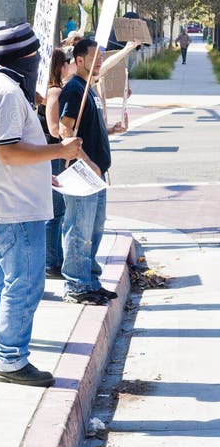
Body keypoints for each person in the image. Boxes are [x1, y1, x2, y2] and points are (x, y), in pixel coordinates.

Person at [0, 23, 82, 386]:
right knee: (23, 283)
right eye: (37, 54)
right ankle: (12, 359)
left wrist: (40, 170)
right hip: (15, 207)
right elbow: (7, 151)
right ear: (27, 57)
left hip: (4, 200)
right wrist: (59, 150)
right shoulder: (3, 92)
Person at [58, 37, 125, 305]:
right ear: (79, 59)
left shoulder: (90, 88)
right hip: (81, 174)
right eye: (95, 56)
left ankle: (90, 281)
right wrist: (88, 162)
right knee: (78, 230)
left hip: (96, 175)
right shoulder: (74, 90)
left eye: (101, 55)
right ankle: (76, 285)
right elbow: (65, 130)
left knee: (94, 231)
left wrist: (112, 130)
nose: (100, 60)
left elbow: (87, 128)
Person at [43, 48, 76, 279]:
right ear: (59, 65)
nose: (69, 64)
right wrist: (70, 139)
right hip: (55, 154)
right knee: (56, 211)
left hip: (56, 153)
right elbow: (54, 128)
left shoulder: (57, 90)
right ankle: (50, 261)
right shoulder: (55, 92)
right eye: (67, 61)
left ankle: (55, 258)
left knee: (59, 210)